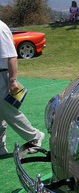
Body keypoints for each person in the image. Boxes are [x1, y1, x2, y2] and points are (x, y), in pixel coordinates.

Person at [0, 19, 45, 156]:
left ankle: (35, 136)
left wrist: (12, 80)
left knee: (9, 112)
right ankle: (1, 147)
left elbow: (12, 56)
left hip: (2, 75)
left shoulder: (0, 29)